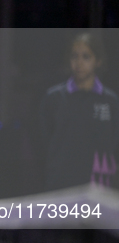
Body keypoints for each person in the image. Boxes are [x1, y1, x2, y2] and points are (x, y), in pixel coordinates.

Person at [40, 33, 119, 191]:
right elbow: (42, 141)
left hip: (99, 187)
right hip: (60, 186)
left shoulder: (110, 101)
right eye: (74, 56)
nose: (79, 63)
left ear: (98, 61)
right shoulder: (54, 98)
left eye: (86, 57)